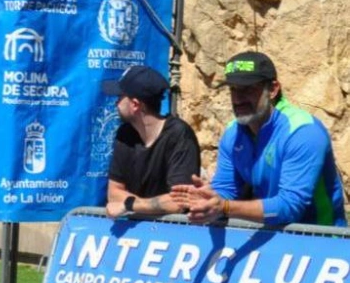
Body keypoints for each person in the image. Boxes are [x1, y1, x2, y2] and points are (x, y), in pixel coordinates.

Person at [171, 51, 346, 226]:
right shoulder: (233, 134)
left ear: (273, 89)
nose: (238, 99)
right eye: (233, 89)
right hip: (271, 239)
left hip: (322, 241)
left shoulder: (303, 131)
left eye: (247, 89)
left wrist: (224, 207)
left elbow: (290, 207)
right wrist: (208, 199)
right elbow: (226, 190)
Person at [101, 65, 200, 218]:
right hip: (136, 232)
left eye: (120, 97)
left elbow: (179, 202)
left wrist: (129, 205)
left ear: (135, 105)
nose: (116, 103)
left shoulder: (179, 135)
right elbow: (114, 193)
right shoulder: (125, 134)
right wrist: (149, 207)